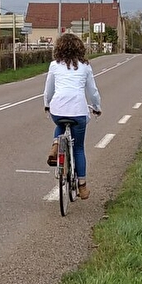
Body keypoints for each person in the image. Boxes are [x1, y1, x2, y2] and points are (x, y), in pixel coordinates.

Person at [43, 32, 102, 199]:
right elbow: (93, 92)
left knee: (60, 124)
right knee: (78, 148)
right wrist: (97, 107)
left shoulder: (54, 65)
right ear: (80, 49)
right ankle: (82, 186)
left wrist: (47, 104)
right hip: (78, 111)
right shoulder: (85, 67)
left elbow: (48, 89)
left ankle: (56, 144)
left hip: (58, 109)